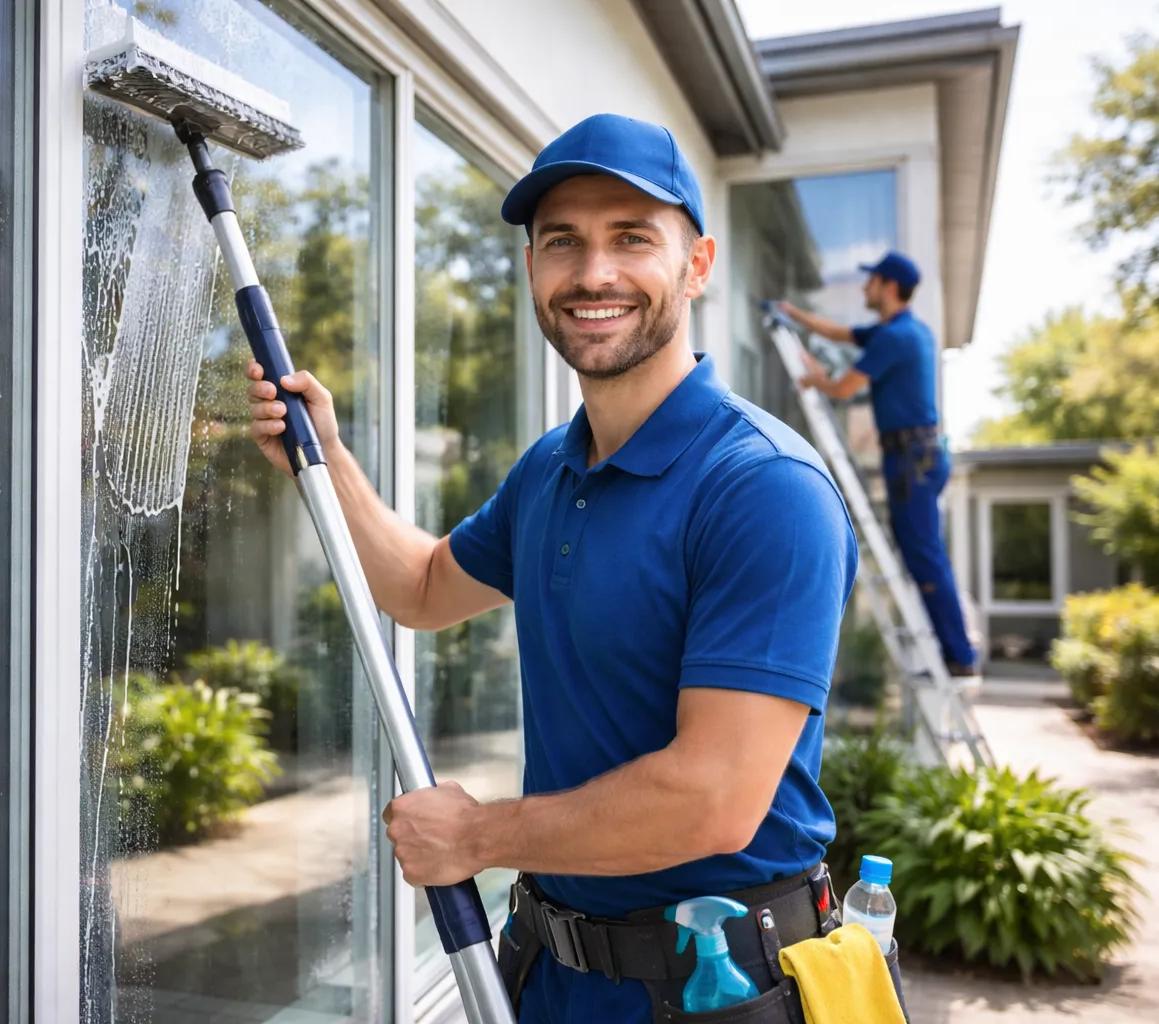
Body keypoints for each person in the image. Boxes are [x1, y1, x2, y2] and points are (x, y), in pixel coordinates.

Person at [247, 114, 866, 1024]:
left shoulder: (763, 488)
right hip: (549, 975)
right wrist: (328, 456)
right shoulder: (550, 470)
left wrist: (477, 835)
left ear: (696, 265)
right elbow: (420, 588)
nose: (593, 274)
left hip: (714, 992)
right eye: (563, 242)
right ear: (533, 267)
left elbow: (714, 800)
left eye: (631, 239)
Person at [778, 255, 979, 676]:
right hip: (916, 456)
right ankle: (955, 651)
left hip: (912, 459)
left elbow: (847, 388)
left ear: (888, 287)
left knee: (924, 556)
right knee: (922, 554)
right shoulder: (898, 331)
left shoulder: (896, 337)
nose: (865, 288)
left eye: (871, 281)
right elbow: (839, 332)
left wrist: (815, 378)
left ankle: (959, 655)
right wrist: (793, 315)